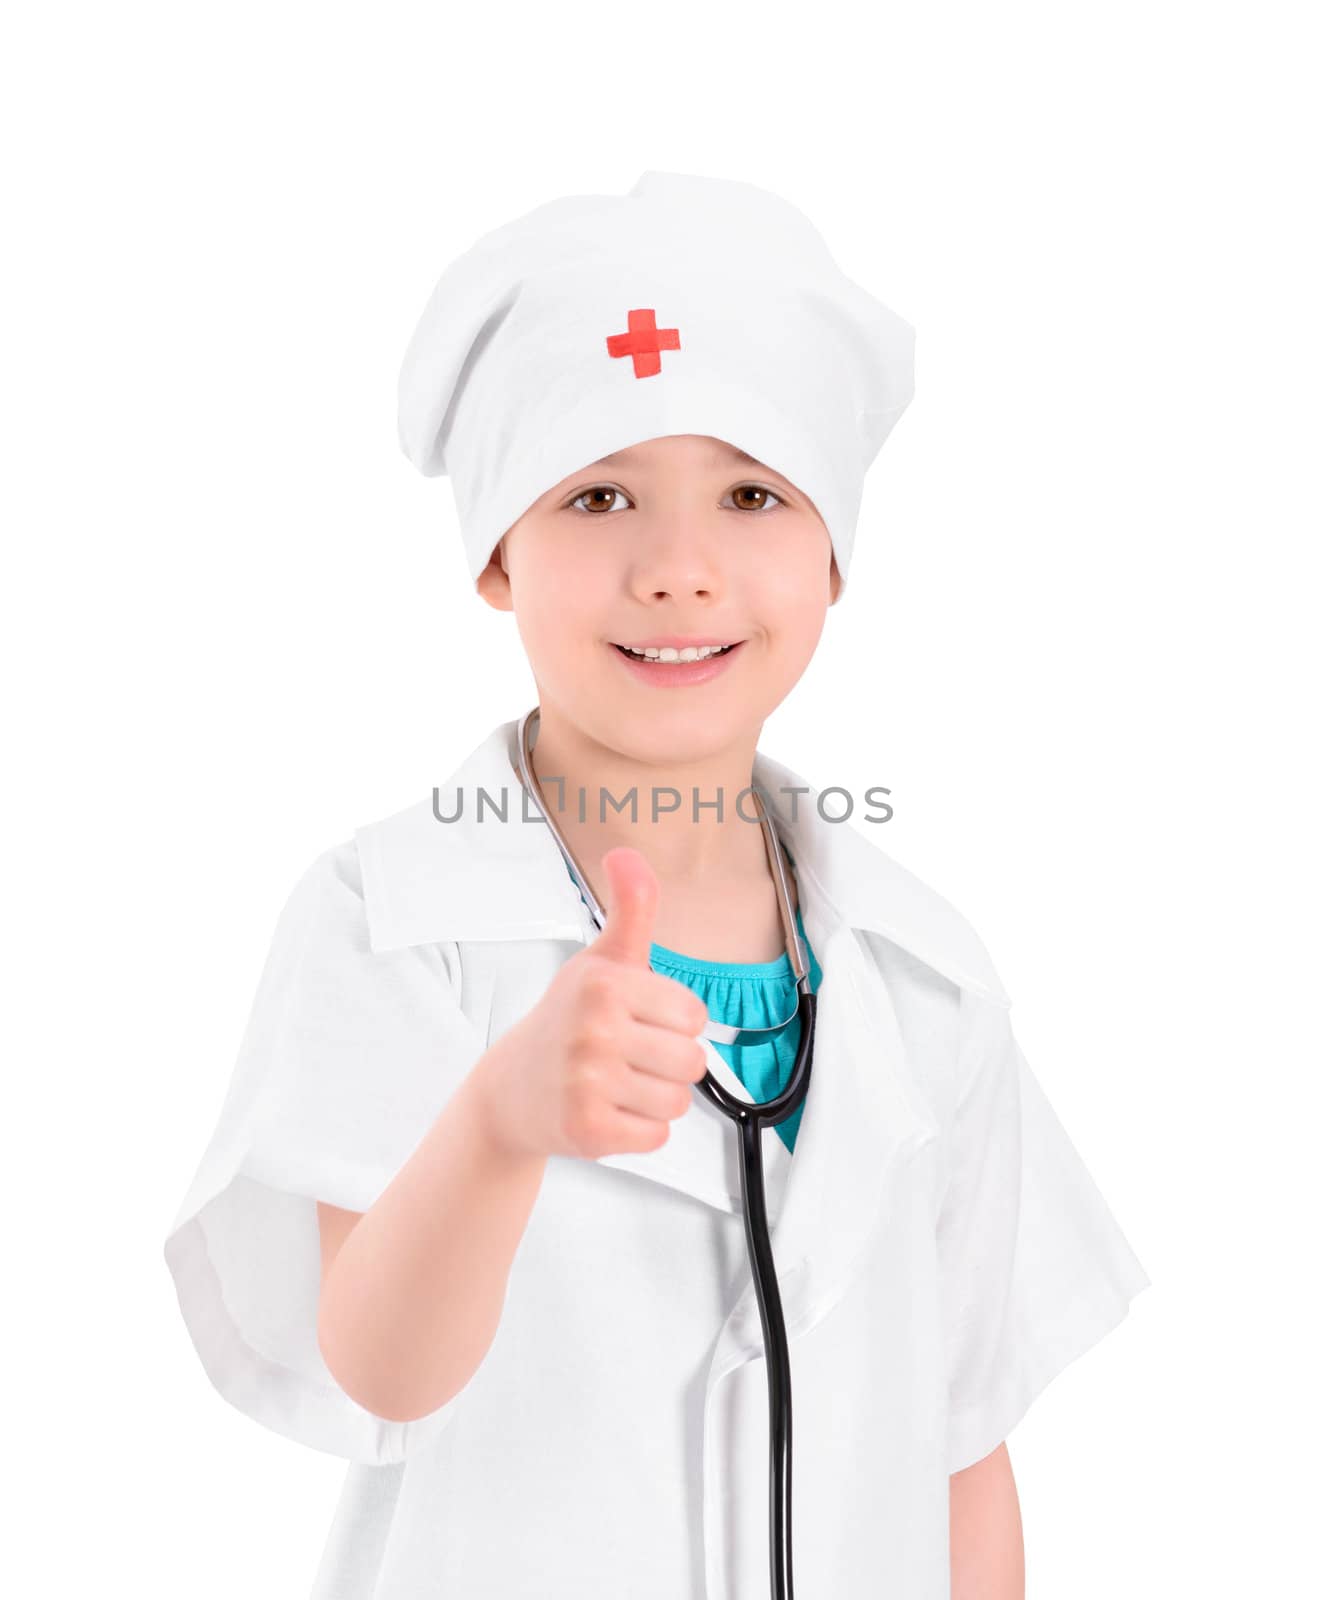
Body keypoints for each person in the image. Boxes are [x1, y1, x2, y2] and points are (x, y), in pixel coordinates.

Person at [162, 170, 1151, 1599]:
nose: (679, 570)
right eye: (599, 494)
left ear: (833, 558)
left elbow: (962, 1441)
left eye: (753, 493)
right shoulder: (394, 922)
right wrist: (498, 1125)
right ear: (499, 554)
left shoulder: (919, 977)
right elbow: (381, 1375)